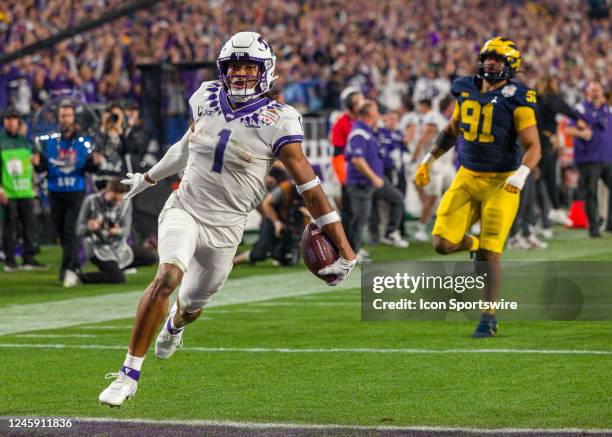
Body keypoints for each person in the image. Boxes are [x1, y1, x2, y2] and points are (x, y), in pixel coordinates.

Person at [98, 32, 356, 407]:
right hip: (184, 208)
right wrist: (149, 177)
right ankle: (128, 374)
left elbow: (311, 190)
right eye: (233, 65)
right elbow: (186, 145)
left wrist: (345, 249)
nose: (239, 73)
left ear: (265, 71)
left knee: (191, 305)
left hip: (227, 227)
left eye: (249, 65)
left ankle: (174, 326)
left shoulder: (279, 120)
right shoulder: (204, 97)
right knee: (167, 276)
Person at [415, 37, 541, 337]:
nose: (490, 63)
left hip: (502, 181)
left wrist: (521, 175)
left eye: (497, 59)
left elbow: (534, 146)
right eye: (487, 57)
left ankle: (488, 316)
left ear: (511, 65)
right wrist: (428, 159)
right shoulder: (465, 87)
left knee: (492, 252)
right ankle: (472, 244)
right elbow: (452, 129)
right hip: (467, 176)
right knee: (442, 244)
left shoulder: (519, 96)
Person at [35, 101, 100, 287]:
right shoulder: (48, 143)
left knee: (71, 232)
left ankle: (67, 271)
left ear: (74, 118)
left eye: (69, 116)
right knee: (62, 234)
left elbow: (89, 168)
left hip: (76, 192)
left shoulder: (83, 142)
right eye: (63, 116)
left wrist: (94, 162)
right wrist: (35, 163)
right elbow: (43, 167)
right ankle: (74, 265)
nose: (66, 119)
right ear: (58, 118)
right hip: (55, 192)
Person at [345, 100, 407, 258]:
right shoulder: (359, 133)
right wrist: (373, 177)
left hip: (374, 180)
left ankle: (390, 233)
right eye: (376, 110)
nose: (378, 112)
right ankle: (353, 252)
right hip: (361, 182)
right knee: (360, 217)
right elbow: (357, 160)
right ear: (370, 113)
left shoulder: (370, 131)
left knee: (397, 198)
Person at [76, 178, 157, 284]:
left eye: (119, 200)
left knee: (150, 258)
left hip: (118, 246)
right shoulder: (91, 201)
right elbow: (79, 230)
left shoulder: (126, 202)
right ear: (107, 192)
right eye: (114, 199)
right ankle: (81, 277)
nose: (117, 203)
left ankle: (113, 269)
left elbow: (126, 230)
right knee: (118, 279)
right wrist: (90, 228)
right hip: (96, 247)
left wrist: (118, 231)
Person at [0, 108, 47, 271]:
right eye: (8, 119)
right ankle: (10, 260)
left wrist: (33, 185)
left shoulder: (24, 141)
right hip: (8, 191)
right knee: (9, 227)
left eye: (14, 119)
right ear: (4, 121)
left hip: (26, 190)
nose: (12, 122)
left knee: (29, 226)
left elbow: (32, 166)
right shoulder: (1, 141)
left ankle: (28, 258)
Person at [566, 81, 612, 237]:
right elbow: (568, 128)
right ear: (586, 92)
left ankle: (610, 224)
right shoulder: (580, 109)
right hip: (588, 158)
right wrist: (581, 133)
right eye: (593, 90)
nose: (596, 93)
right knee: (590, 193)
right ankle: (593, 228)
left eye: (598, 90)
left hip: (608, 156)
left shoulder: (607, 109)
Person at [411, 97, 456, 242]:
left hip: (445, 164)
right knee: (432, 198)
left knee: (458, 193)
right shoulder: (434, 116)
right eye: (453, 105)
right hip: (435, 165)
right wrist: (416, 157)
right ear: (448, 106)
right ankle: (421, 228)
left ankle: (459, 227)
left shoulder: (445, 119)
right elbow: (426, 134)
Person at [233, 179, 307, 267]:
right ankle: (233, 261)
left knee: (289, 259)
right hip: (273, 218)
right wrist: (276, 223)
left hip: (289, 223)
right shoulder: (285, 188)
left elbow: (304, 221)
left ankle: (276, 254)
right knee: (261, 252)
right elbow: (266, 204)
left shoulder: (311, 193)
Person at [330, 88, 364, 239]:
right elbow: (337, 153)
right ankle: (350, 244)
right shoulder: (341, 124)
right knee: (349, 210)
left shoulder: (361, 120)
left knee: (362, 209)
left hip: (362, 170)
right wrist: (343, 177)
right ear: (351, 105)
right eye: (358, 102)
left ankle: (357, 242)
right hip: (349, 172)